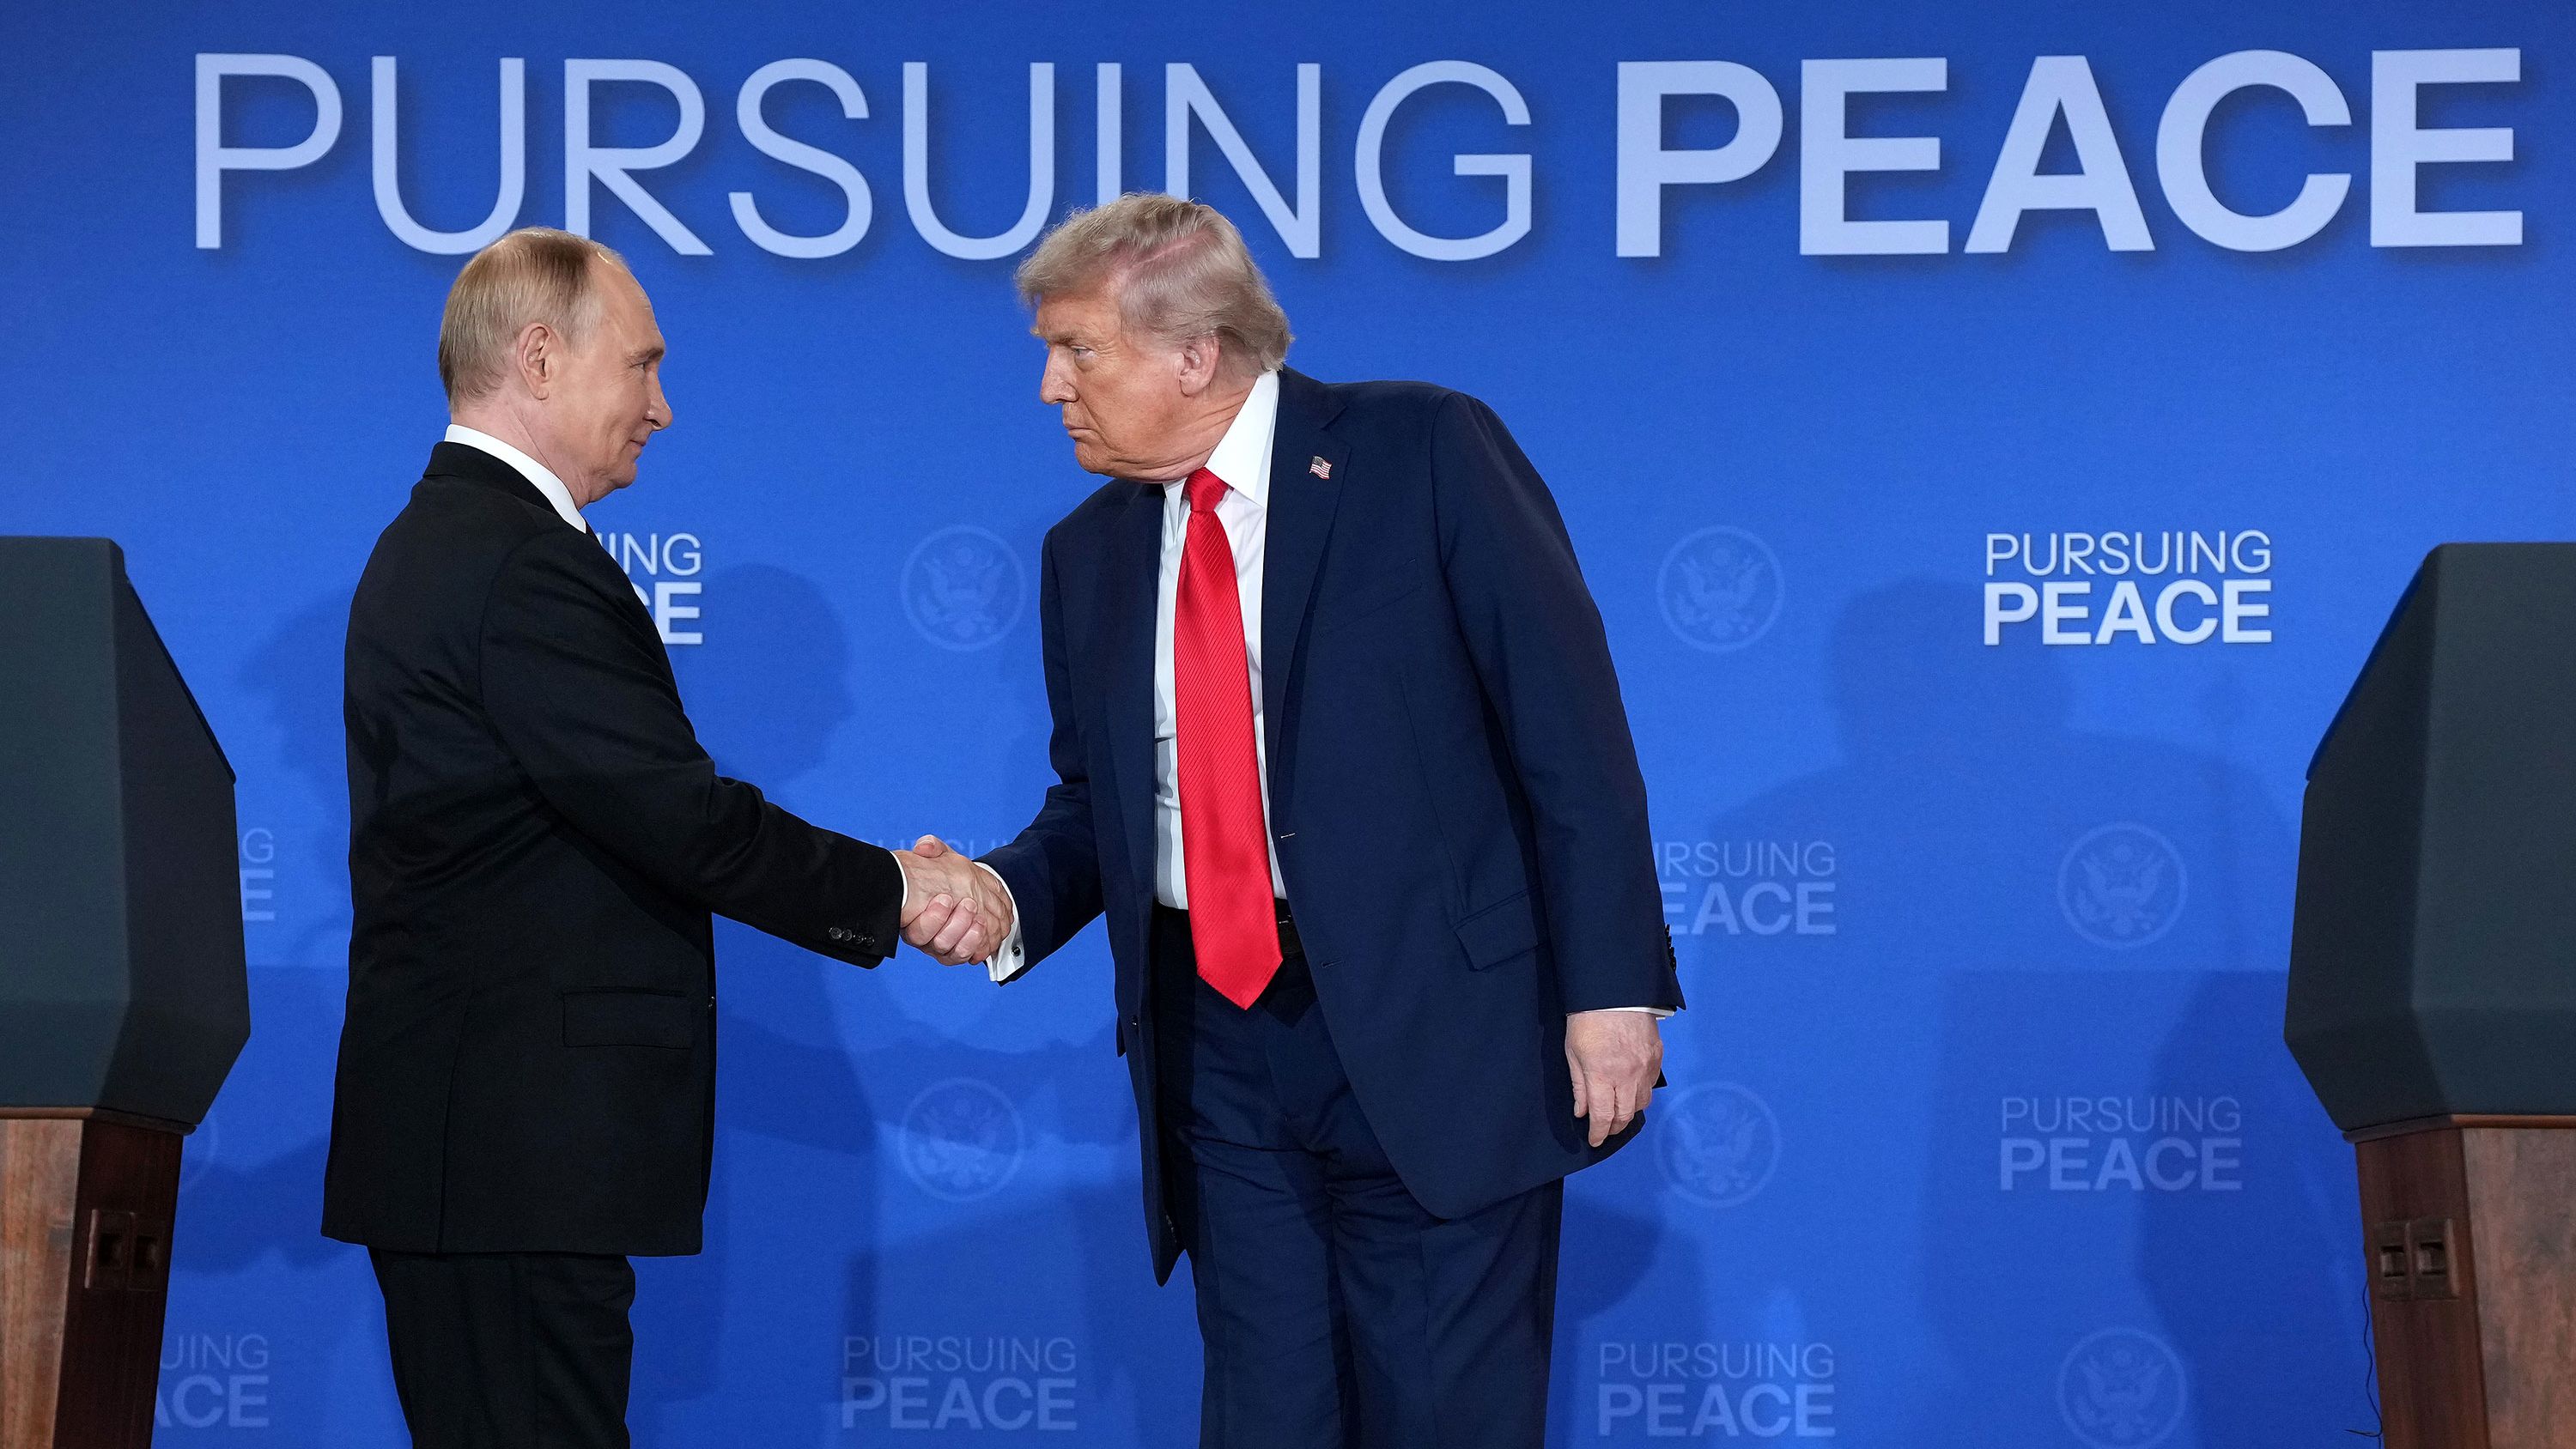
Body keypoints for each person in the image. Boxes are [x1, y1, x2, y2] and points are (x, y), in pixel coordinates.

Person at [902, 194, 1684, 1448]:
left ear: (1194, 352)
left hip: (1438, 1038)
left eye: (1078, 350)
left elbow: (1572, 741)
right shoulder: (1087, 552)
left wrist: (1612, 991)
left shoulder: (1423, 450)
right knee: (1267, 1418)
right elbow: (1102, 805)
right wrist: (1002, 896)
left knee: (1443, 1418)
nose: (1052, 387)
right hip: (1221, 1050)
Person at [323, 227, 979, 1448]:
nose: (663, 409)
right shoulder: (514, 562)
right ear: (536, 357)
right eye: (641, 367)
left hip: (489, 1160)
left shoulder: (466, 544)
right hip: (509, 1159)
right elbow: (672, 813)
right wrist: (896, 887)